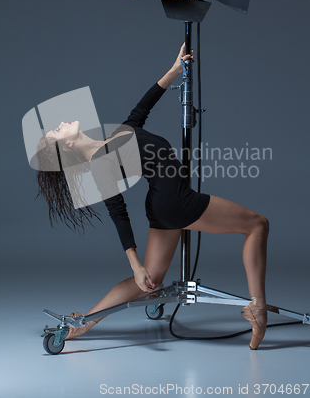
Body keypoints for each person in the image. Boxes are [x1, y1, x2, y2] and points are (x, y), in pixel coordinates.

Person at [36, 44, 269, 350]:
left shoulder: (112, 136)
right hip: (177, 202)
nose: (62, 123)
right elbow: (118, 213)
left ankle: (84, 324)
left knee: (151, 281)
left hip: (163, 206)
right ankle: (258, 307)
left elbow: (140, 111)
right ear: (65, 148)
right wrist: (135, 264)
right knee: (257, 225)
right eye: (57, 130)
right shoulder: (101, 163)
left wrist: (174, 70)